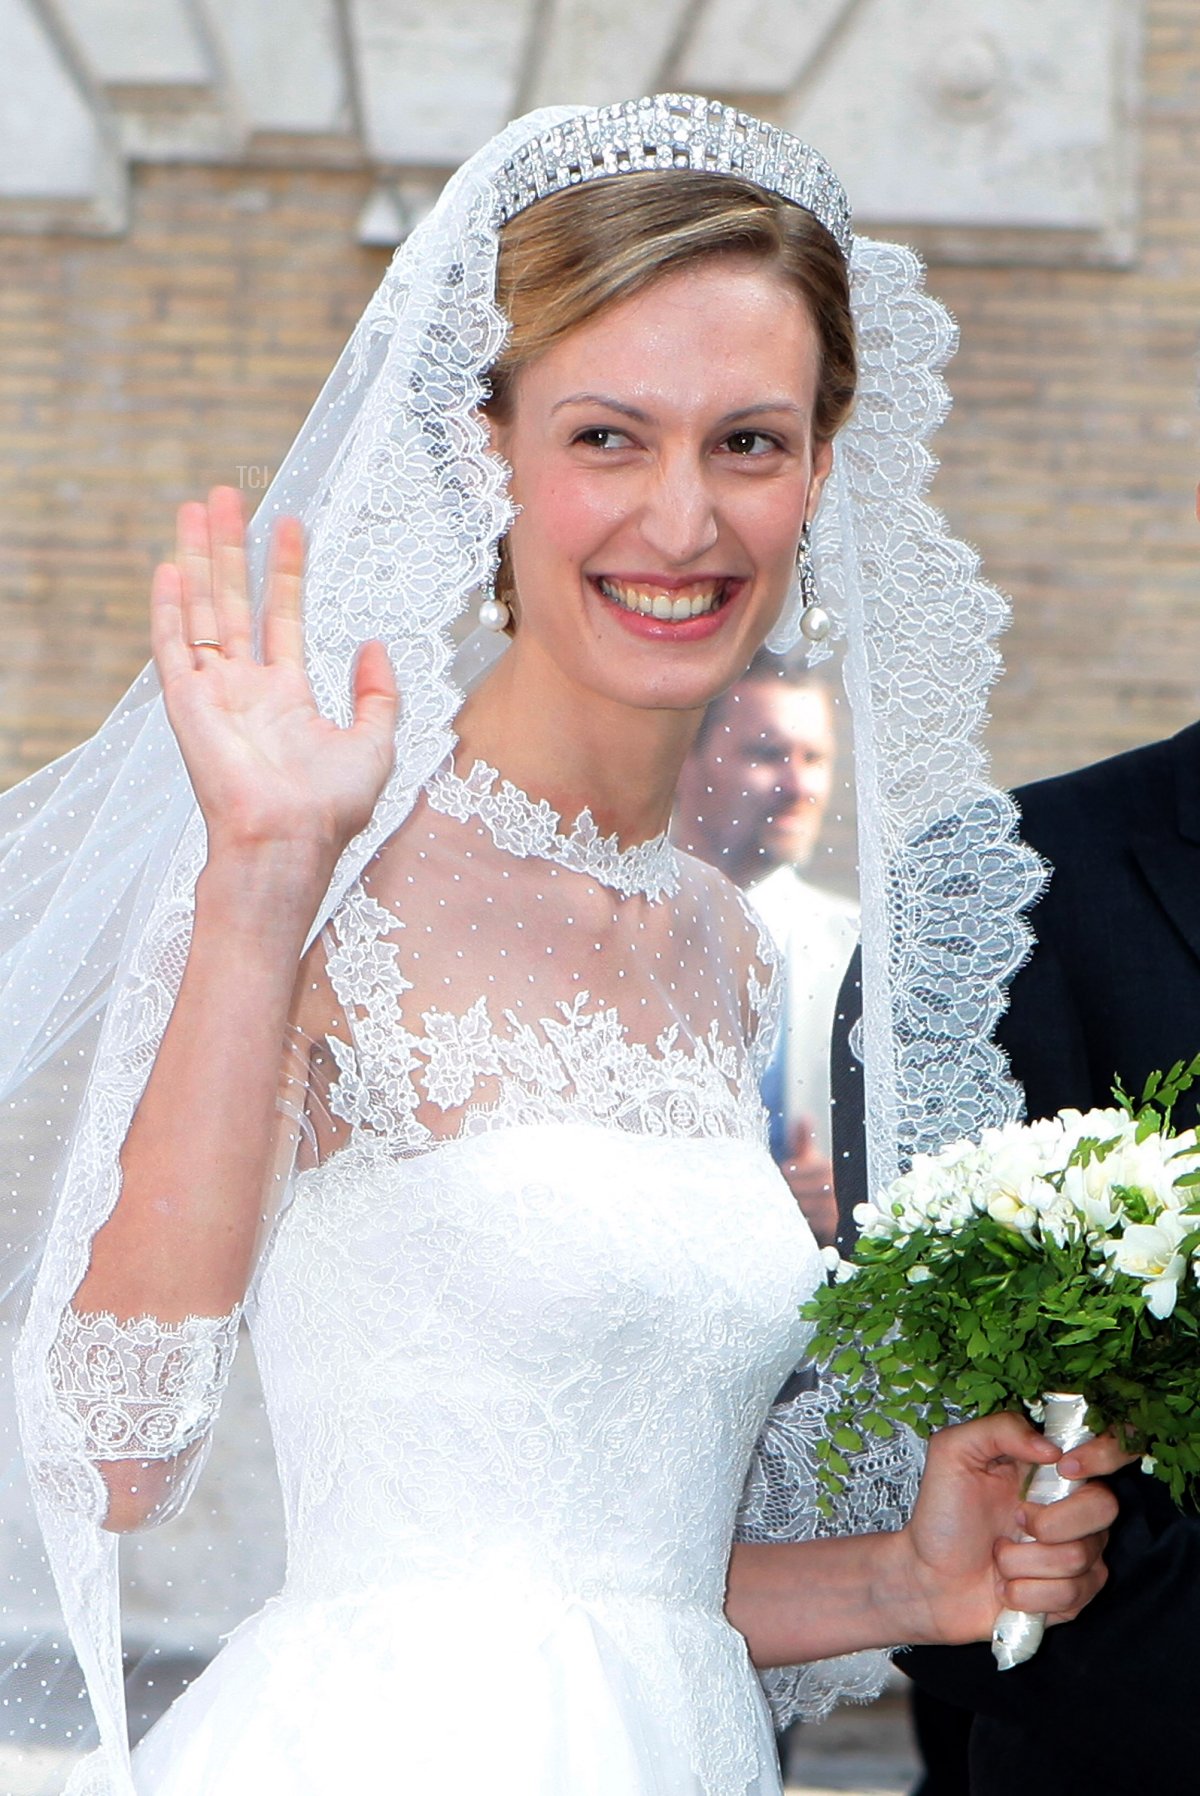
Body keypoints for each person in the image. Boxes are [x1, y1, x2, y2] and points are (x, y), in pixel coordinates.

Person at [0, 96, 1126, 1796]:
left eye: (746, 443)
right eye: (609, 436)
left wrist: (908, 1579)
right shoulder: (319, 878)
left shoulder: (727, 955)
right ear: (485, 454)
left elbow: (617, 1583)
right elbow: (116, 1453)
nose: (684, 522)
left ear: (819, 472)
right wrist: (257, 879)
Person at [674, 656, 857, 1244]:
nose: (799, 786)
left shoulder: (865, 951)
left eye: (815, 759)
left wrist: (857, 1210)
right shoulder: (605, 931)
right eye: (766, 754)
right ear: (681, 758)